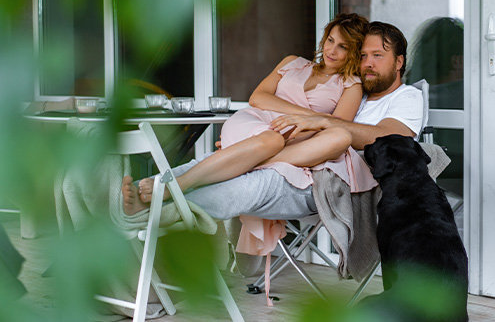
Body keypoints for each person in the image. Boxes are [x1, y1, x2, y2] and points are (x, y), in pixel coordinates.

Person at [121, 20, 423, 254]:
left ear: (398, 62)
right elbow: (268, 103)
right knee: (226, 165)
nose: (368, 63)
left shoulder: (406, 97)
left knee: (253, 179)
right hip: (295, 157)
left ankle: (155, 208)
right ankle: (154, 190)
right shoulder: (349, 87)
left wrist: (314, 123)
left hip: (323, 179)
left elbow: (389, 138)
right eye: (365, 55)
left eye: (378, 56)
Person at [122, 13, 370, 217]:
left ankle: (166, 194)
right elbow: (258, 98)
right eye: (330, 41)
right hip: (254, 121)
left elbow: (336, 126)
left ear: (354, 52)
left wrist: (306, 123)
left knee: (330, 138)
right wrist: (305, 116)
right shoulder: (293, 62)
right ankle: (176, 185)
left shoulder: (350, 85)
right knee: (271, 139)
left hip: (292, 144)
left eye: (343, 47)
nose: (332, 50)